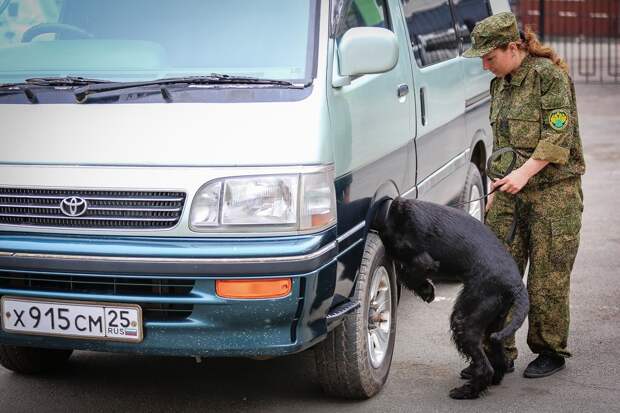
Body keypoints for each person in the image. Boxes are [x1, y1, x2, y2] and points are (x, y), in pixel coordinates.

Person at [462, 12, 585, 378]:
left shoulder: (549, 77)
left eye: (489, 57)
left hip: (554, 194)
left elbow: (556, 136)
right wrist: (497, 190)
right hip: (511, 193)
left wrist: (524, 174)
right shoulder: (500, 83)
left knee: (547, 279)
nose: (485, 65)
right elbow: (502, 145)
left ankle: (549, 350)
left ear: (513, 47)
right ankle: (497, 352)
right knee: (496, 274)